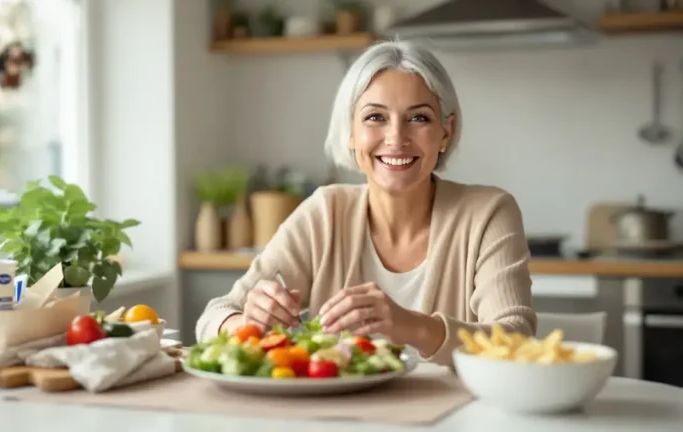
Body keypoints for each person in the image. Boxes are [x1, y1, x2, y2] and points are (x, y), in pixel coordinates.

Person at [195, 40, 536, 366]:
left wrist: (410, 326)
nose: (396, 138)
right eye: (375, 117)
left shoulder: (489, 212)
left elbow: (516, 340)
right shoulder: (325, 212)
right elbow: (215, 315)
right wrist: (248, 324)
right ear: (351, 132)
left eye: (419, 118)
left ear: (446, 132)